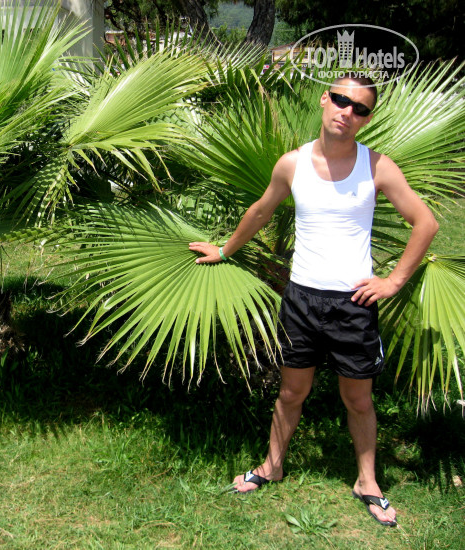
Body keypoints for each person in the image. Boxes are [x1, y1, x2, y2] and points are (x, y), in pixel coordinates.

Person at [188, 74, 439, 527]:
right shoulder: (292, 163)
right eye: (341, 100)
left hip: (353, 304)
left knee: (358, 399)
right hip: (301, 299)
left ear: (367, 118)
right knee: (291, 392)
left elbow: (426, 222)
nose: (347, 112)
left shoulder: (378, 166)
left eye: (360, 108)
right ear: (325, 100)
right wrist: (225, 250)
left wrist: (393, 281)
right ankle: (272, 467)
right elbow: (261, 210)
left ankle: (367, 481)